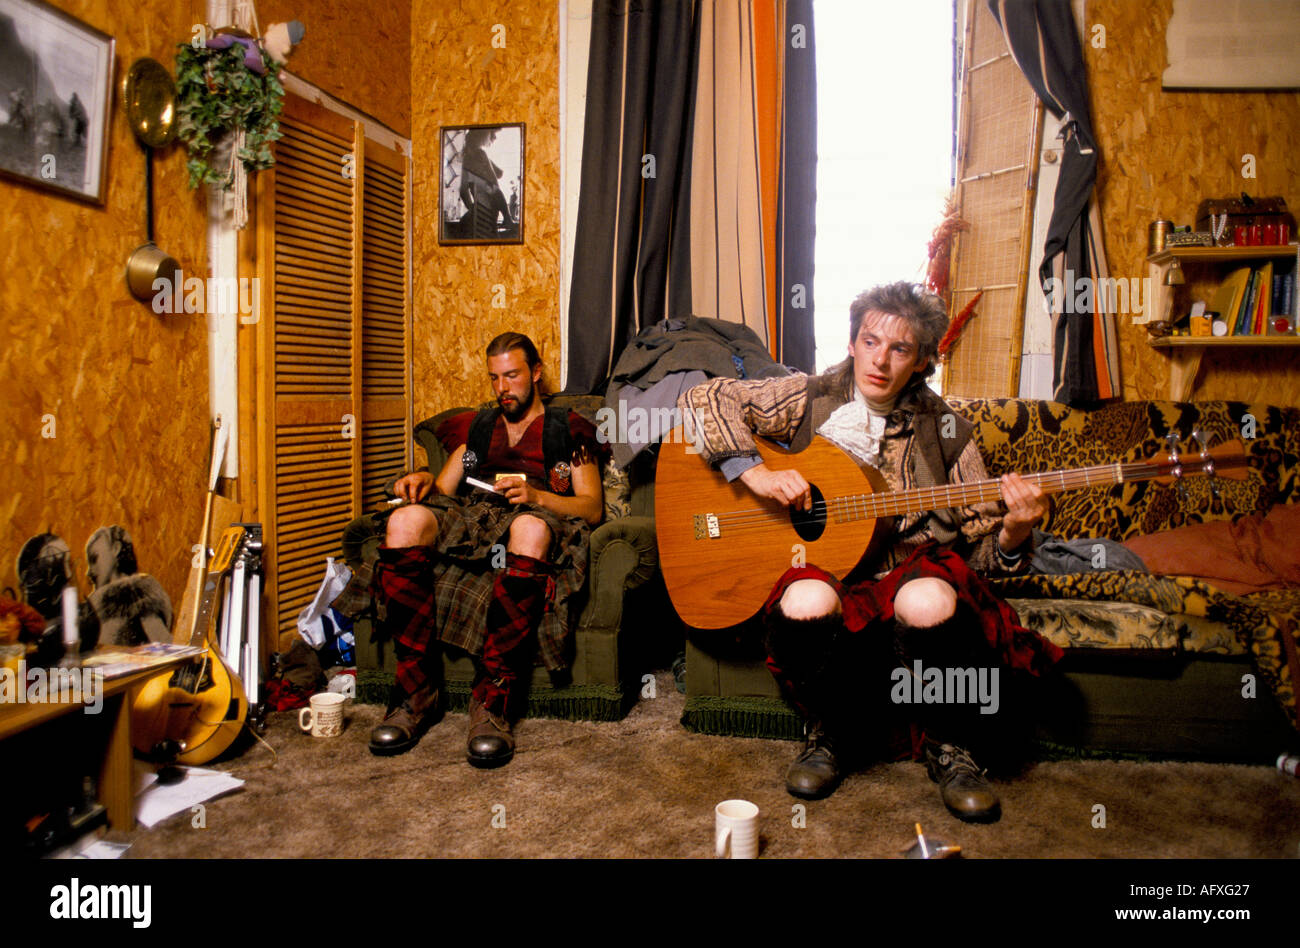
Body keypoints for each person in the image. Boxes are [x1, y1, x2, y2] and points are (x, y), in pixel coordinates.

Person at [678, 281, 1063, 822]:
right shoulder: (810, 395)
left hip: (908, 574)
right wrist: (756, 474)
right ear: (854, 341)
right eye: (869, 341)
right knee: (804, 601)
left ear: (923, 360)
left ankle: (948, 743)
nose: (879, 360)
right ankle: (828, 732)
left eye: (899, 348)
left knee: (930, 598)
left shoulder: (946, 428)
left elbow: (981, 562)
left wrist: (1015, 533)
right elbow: (704, 397)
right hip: (829, 572)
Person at [368, 332, 604, 767]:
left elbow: (591, 509)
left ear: (534, 373)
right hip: (474, 519)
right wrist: (421, 478)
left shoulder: (566, 429)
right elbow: (443, 490)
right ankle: (415, 694)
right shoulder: (480, 427)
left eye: (511, 376)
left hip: (536, 517)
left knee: (530, 530)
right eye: (494, 378)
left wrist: (535, 496)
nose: (502, 388)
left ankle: (491, 703)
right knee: (405, 520)